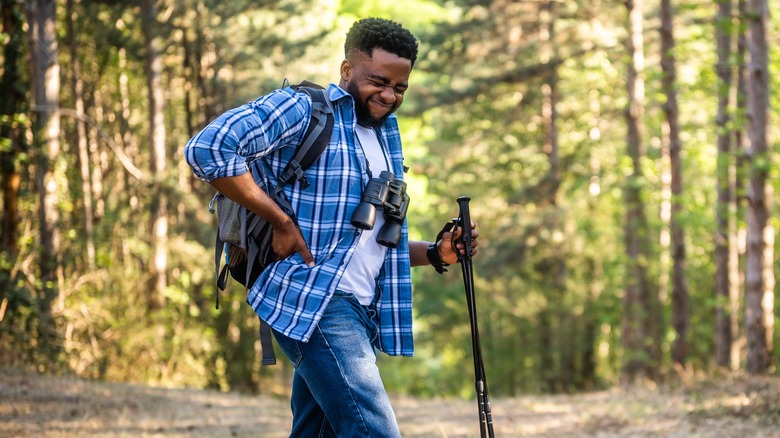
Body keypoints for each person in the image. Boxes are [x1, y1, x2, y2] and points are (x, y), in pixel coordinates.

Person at [185, 17, 478, 437]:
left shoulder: (384, 138)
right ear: (346, 70)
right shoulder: (304, 108)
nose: (390, 95)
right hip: (315, 300)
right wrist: (279, 219)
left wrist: (436, 253)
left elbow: (368, 244)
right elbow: (207, 149)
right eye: (379, 82)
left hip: (358, 308)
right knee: (374, 431)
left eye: (400, 88)